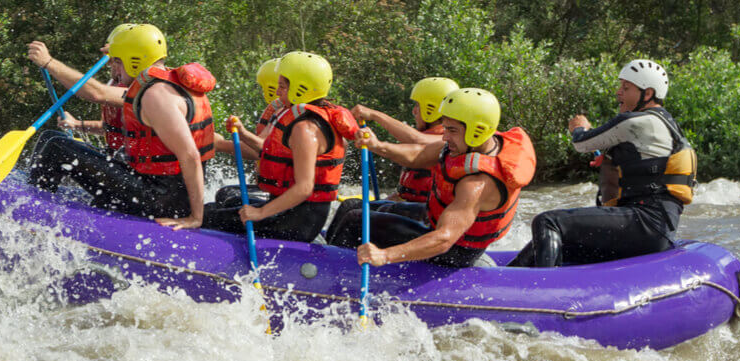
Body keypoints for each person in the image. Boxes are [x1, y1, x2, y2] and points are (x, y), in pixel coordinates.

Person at [25, 24, 215, 229]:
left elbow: (191, 156)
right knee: (50, 137)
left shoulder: (157, 95)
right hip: (153, 187)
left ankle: (30, 213)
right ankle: (37, 197)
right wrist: (119, 49)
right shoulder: (158, 84)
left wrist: (196, 218)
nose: (112, 68)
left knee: (57, 147)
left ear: (135, 61)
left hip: (161, 199)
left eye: (116, 61)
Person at [508, 60, 695, 267]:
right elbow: (647, 163)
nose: (619, 93)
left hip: (644, 222)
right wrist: (612, 158)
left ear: (648, 93)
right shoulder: (666, 124)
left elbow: (581, 143)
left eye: (626, 88)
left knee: (547, 222)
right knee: (547, 244)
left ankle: (543, 290)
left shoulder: (636, 121)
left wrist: (580, 128)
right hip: (656, 229)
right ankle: (506, 281)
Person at [331, 88, 537, 268]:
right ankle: (328, 250)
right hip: (435, 220)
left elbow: (444, 240)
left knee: (354, 220)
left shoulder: (477, 184)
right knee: (352, 206)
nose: (445, 136)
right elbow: (419, 155)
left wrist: (384, 255)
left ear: (477, 130)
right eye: (445, 128)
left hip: (452, 253)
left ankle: (331, 271)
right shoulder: (469, 144)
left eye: (452, 130)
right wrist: (379, 146)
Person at [201, 52, 358, 243]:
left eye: (282, 87)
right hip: (290, 212)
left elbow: (305, 188)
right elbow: (268, 151)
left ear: (301, 89)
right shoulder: (303, 120)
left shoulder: (305, 129)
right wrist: (242, 133)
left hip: (297, 222)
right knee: (226, 203)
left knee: (206, 217)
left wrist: (260, 213)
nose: (277, 92)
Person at [337, 77, 460, 223]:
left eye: (417, 106)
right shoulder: (439, 135)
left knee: (356, 217)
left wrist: (375, 116)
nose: (414, 111)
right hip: (413, 206)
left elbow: (418, 140)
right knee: (349, 205)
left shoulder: (450, 139)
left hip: (429, 216)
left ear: (430, 109)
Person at [53, 24, 134, 158]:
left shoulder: (138, 86)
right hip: (113, 155)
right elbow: (106, 128)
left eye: (116, 59)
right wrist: (76, 124)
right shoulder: (114, 82)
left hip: (129, 165)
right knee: (50, 136)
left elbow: (96, 93)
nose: (109, 62)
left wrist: (48, 63)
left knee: (56, 144)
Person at [210, 57, 281, 208]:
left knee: (226, 197)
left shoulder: (287, 113)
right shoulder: (285, 111)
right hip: (277, 189)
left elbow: (258, 151)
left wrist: (220, 144)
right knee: (225, 195)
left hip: (282, 194)